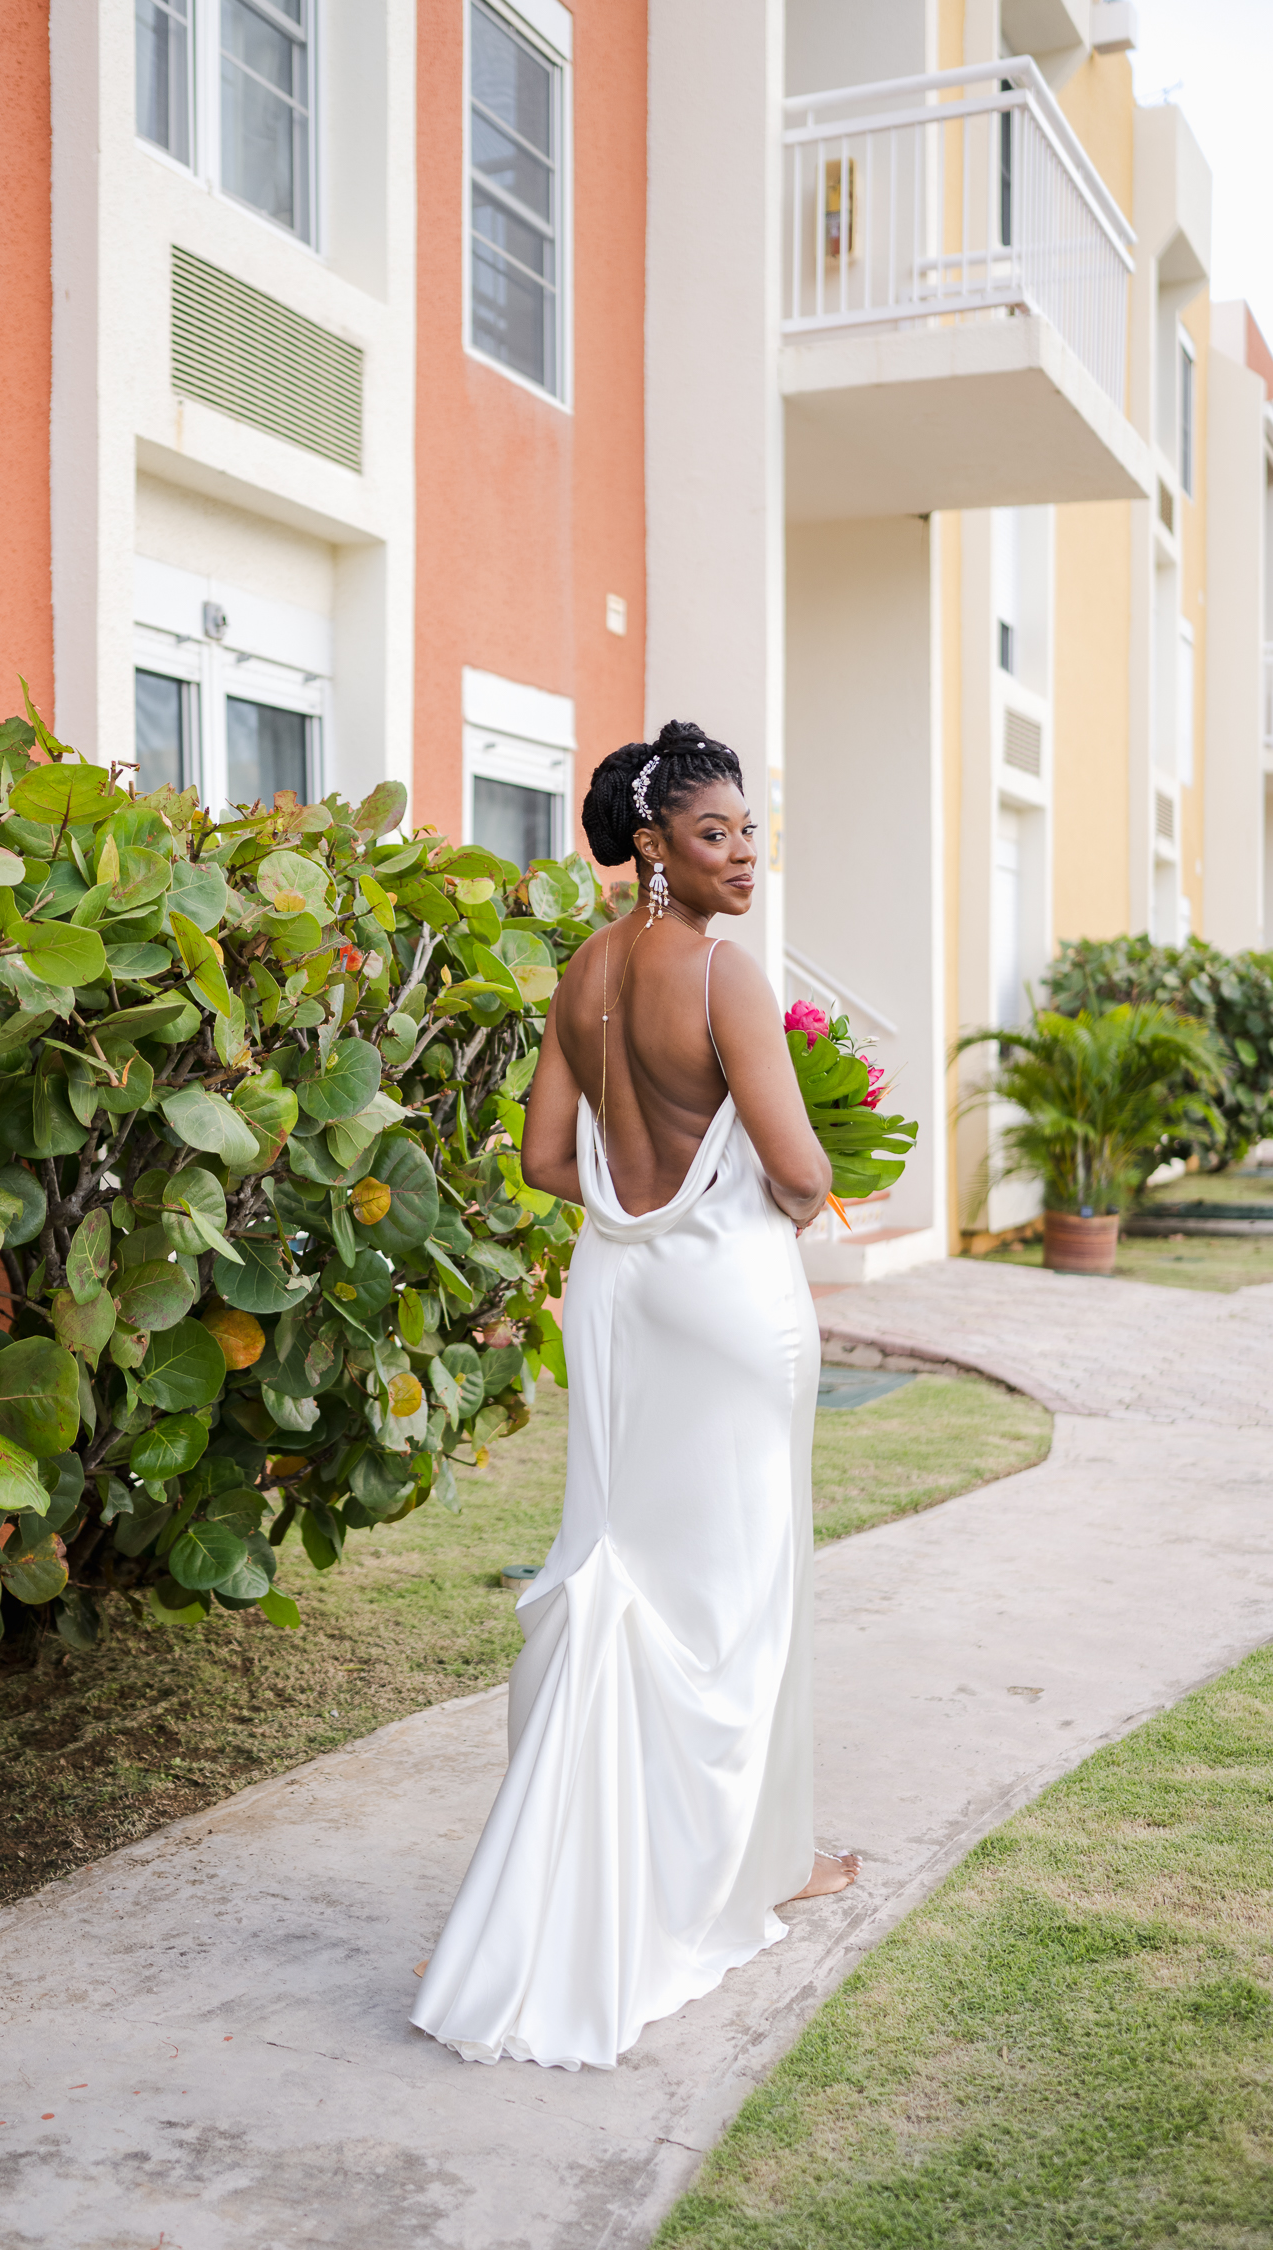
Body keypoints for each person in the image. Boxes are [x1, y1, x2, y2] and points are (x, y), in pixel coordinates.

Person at [410, 719, 859, 2073]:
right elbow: (798, 1170)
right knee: (736, 1593)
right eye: (717, 833)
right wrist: (753, 1181)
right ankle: (726, 1876)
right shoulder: (722, 975)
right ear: (655, 845)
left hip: (618, 1294)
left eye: (751, 833)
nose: (744, 858)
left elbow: (549, 1156)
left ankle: (706, 1861)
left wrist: (634, 1197)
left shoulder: (588, 970)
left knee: (627, 1570)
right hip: (727, 1298)